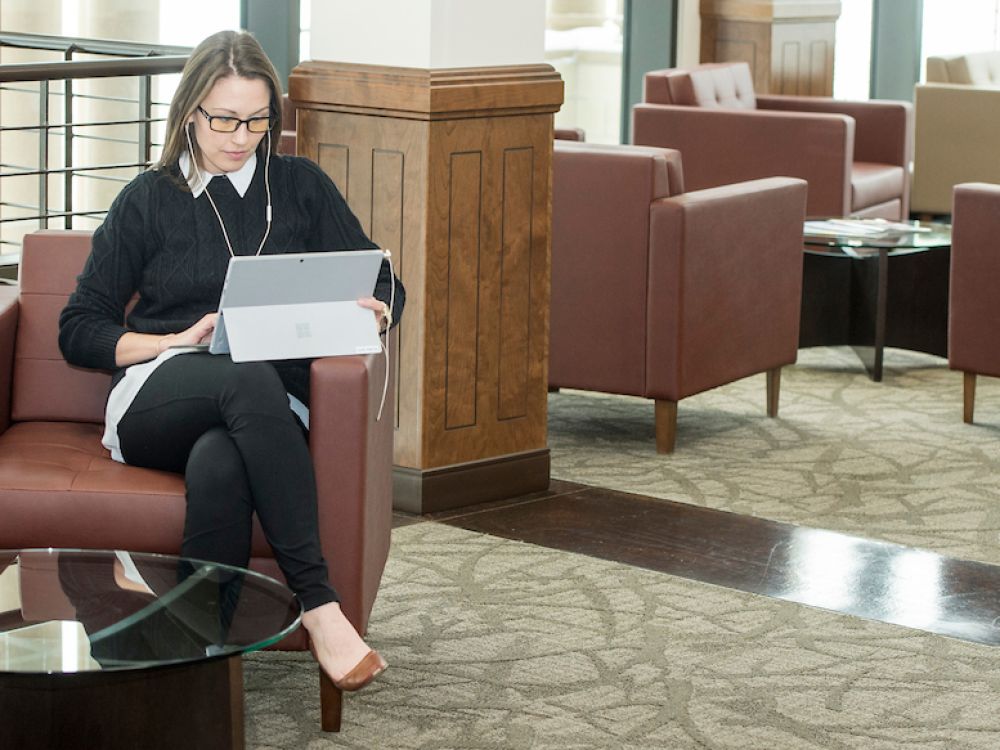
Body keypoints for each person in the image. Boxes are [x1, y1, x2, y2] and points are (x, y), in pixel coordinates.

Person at [58, 29, 404, 692]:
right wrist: (174, 340)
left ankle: (191, 672)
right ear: (190, 112)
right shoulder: (150, 198)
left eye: (257, 120)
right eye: (224, 119)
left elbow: (385, 281)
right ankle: (319, 603)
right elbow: (79, 328)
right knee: (244, 375)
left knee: (221, 463)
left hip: (267, 409)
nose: (241, 137)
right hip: (161, 395)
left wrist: (375, 313)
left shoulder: (300, 187)